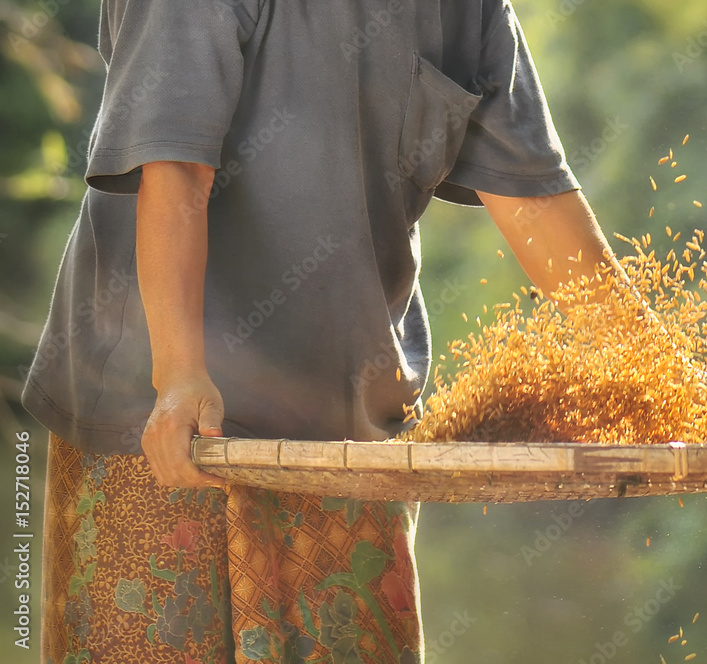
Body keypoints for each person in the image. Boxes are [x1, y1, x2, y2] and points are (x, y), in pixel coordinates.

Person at [21, 1, 654, 663]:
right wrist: (178, 373)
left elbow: (536, 199)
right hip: (160, 420)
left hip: (347, 433)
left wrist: (658, 377)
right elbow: (177, 168)